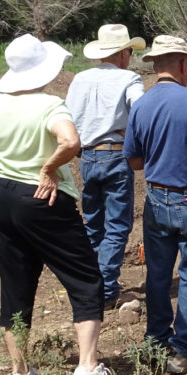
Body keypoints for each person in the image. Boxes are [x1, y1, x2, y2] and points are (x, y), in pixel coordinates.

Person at [0, 34, 127, 375]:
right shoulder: (50, 104)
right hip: (42, 199)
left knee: (15, 287)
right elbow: (71, 142)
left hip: (1, 197)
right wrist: (48, 168)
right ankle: (88, 369)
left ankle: (19, 374)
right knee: (86, 279)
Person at [125, 36, 187, 375]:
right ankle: (185, 350)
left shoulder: (141, 105)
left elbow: (134, 161)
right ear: (183, 63)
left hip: (156, 198)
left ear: (155, 64)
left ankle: (156, 340)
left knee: (158, 273)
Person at [65, 24, 145, 308]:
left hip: (87, 156)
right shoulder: (130, 78)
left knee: (93, 223)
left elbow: (68, 116)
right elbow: (142, 111)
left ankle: (92, 286)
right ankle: (108, 289)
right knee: (117, 226)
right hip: (115, 154)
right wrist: (133, 137)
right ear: (123, 53)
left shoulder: (80, 79)